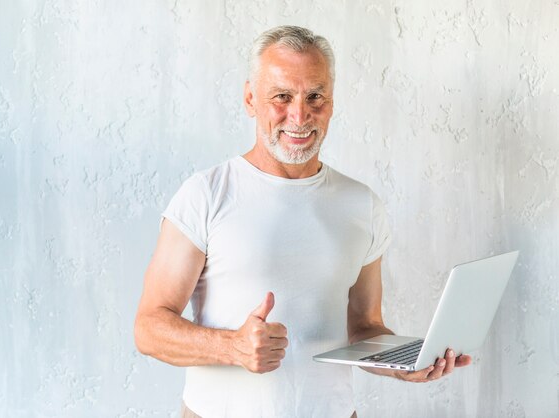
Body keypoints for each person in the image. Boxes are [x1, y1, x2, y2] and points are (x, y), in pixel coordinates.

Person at [134, 25, 472, 418]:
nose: (299, 115)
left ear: (331, 101)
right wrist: (232, 347)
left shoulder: (361, 204)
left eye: (315, 96)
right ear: (250, 99)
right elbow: (149, 327)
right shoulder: (206, 194)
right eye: (282, 96)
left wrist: (406, 364)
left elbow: (364, 328)